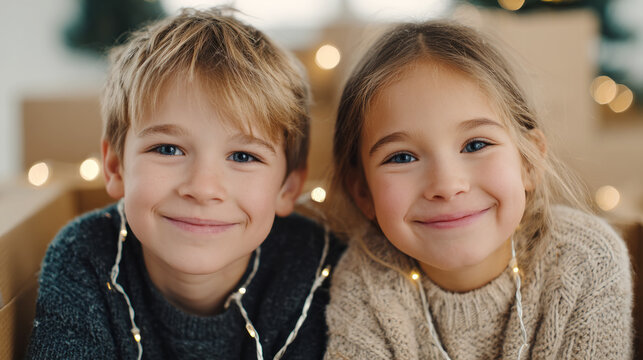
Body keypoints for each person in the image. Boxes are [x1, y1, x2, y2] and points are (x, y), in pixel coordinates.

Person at [26, 7, 344, 360]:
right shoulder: (85, 256)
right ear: (116, 167)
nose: (203, 187)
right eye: (168, 149)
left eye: (242, 156)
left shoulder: (316, 266)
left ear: (287, 187)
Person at [324, 20, 632, 359]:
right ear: (363, 193)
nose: (446, 185)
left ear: (528, 163)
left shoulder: (584, 258)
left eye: (475, 145)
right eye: (402, 156)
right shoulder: (365, 280)